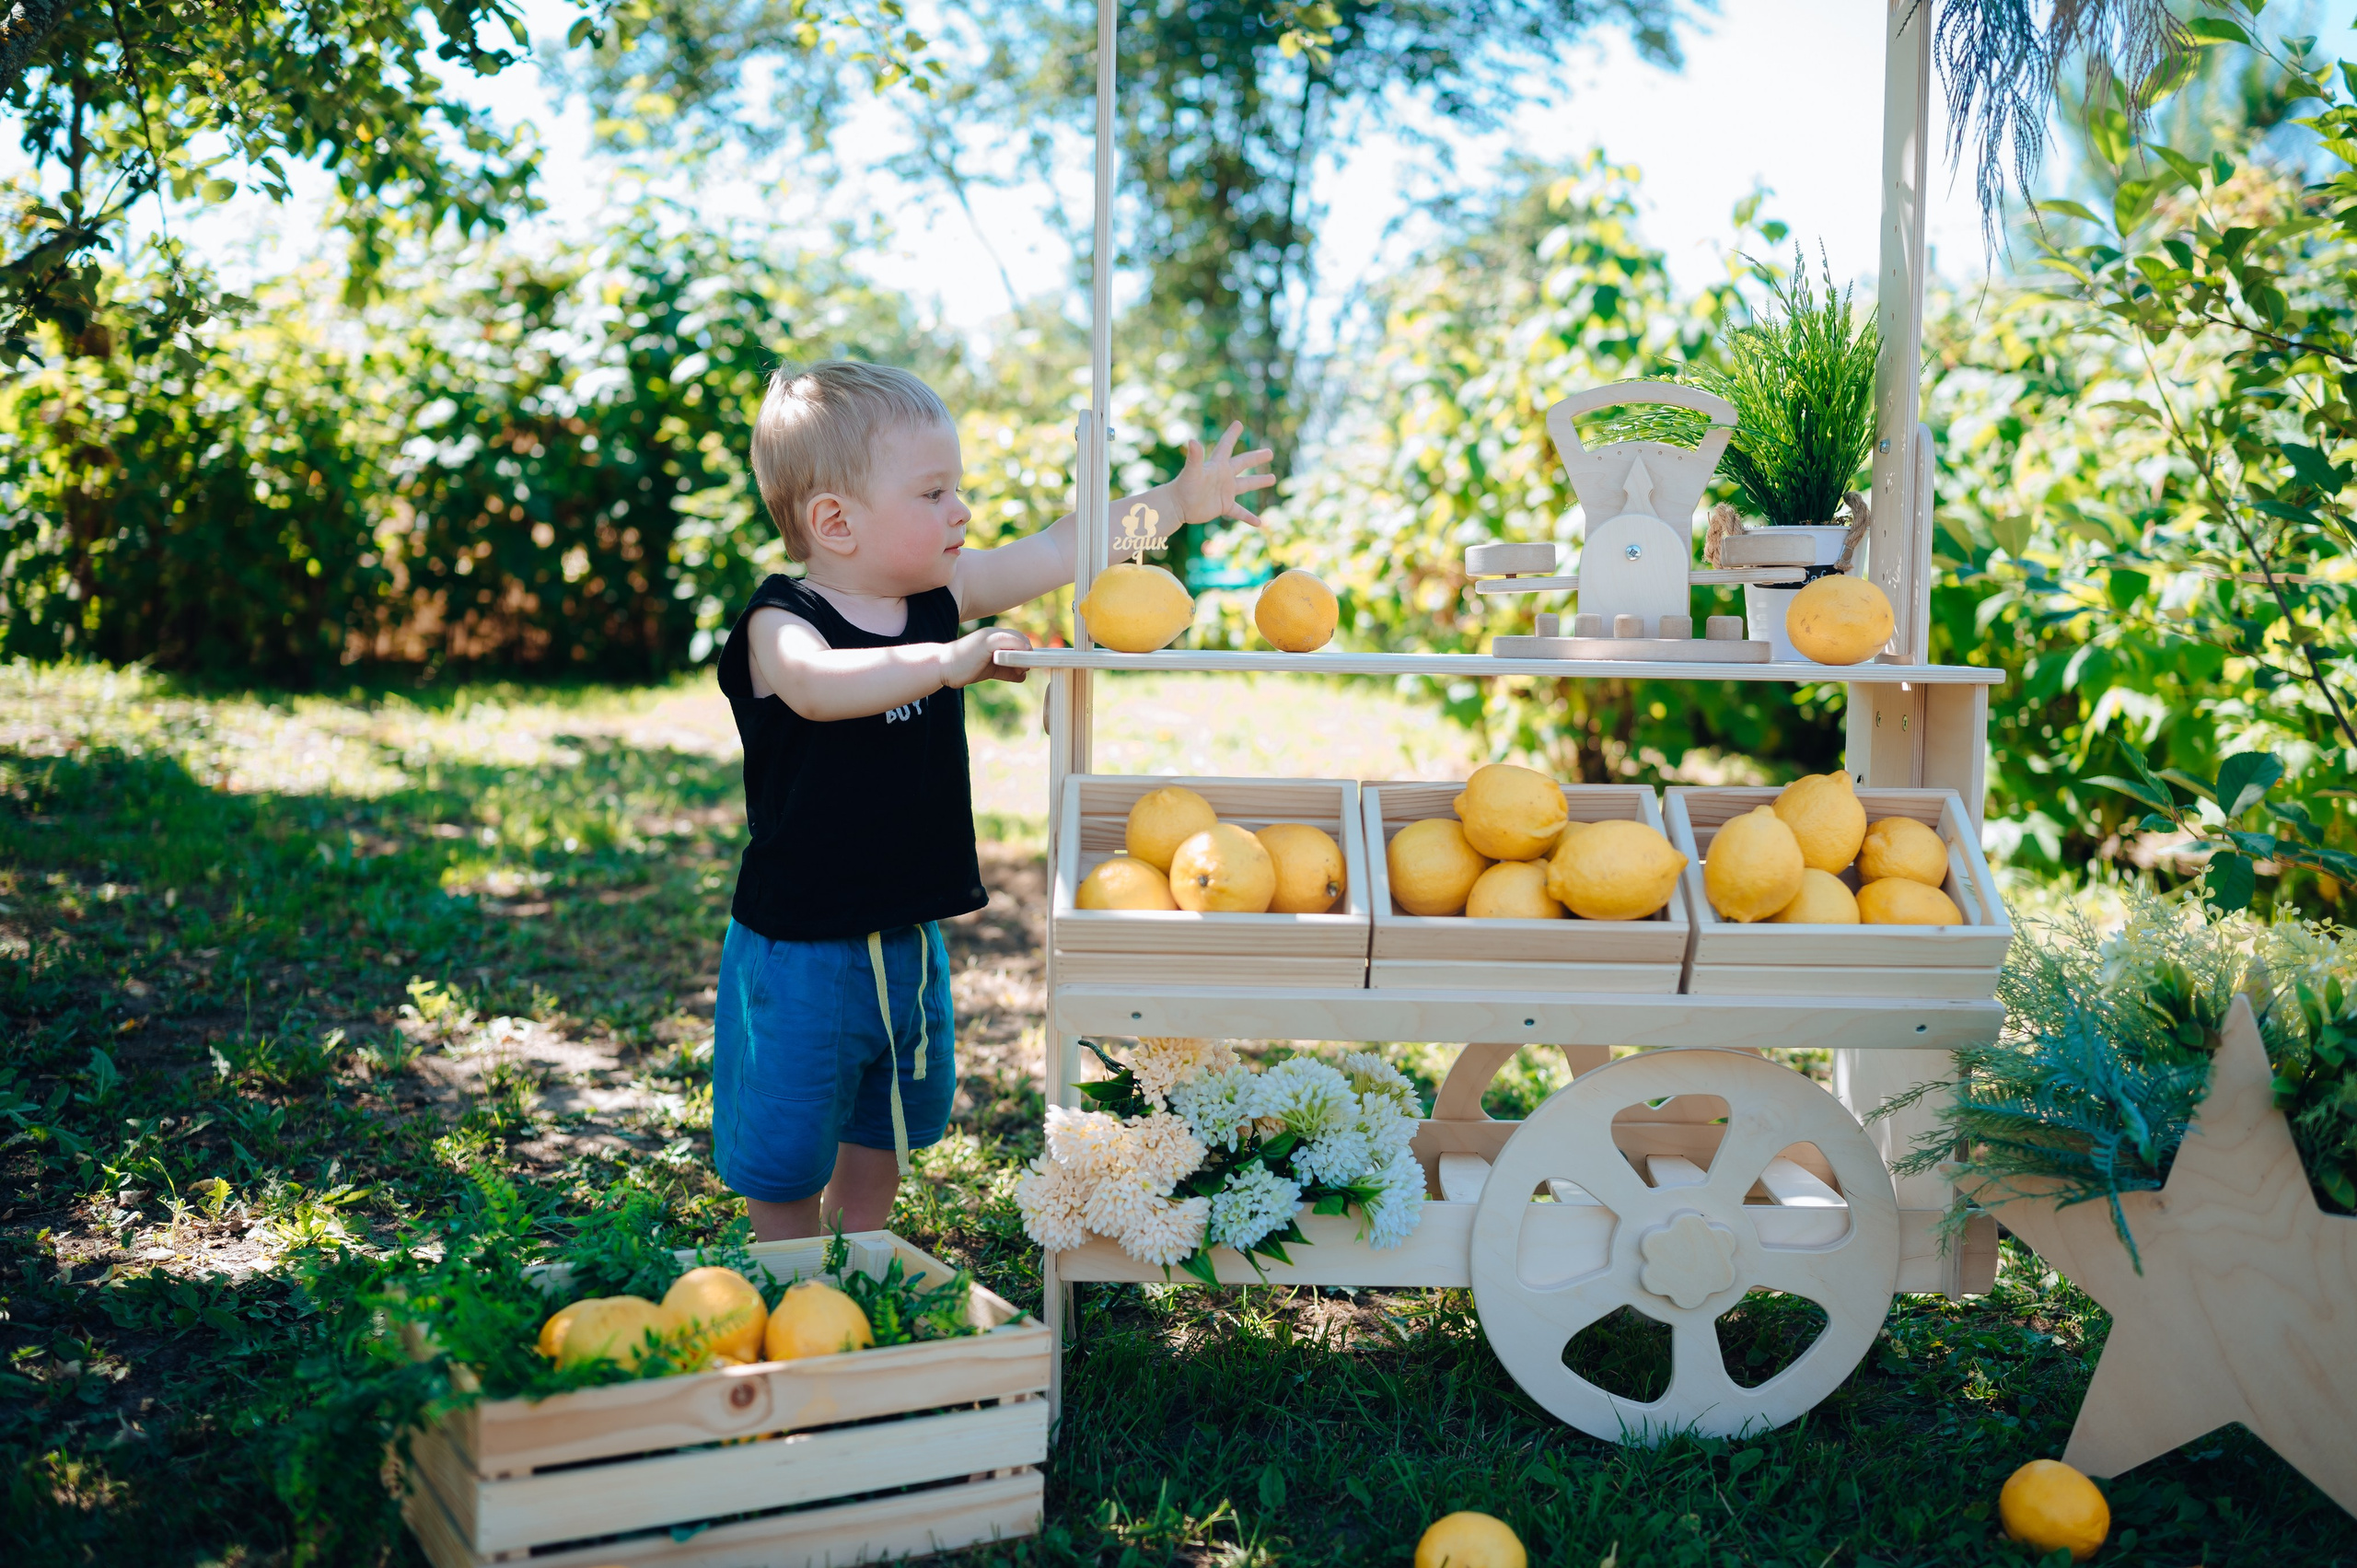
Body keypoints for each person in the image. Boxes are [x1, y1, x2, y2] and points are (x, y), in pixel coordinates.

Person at [714, 361, 1274, 1241]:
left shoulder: (941, 595)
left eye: (957, 489)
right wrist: (947, 661)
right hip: (799, 948)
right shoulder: (781, 621)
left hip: (907, 930)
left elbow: (1060, 547)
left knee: (886, 1120)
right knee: (787, 1143)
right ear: (835, 522)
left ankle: (859, 1252)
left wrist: (1174, 500)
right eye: (934, 492)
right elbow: (817, 687)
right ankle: (788, 1270)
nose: (961, 511)